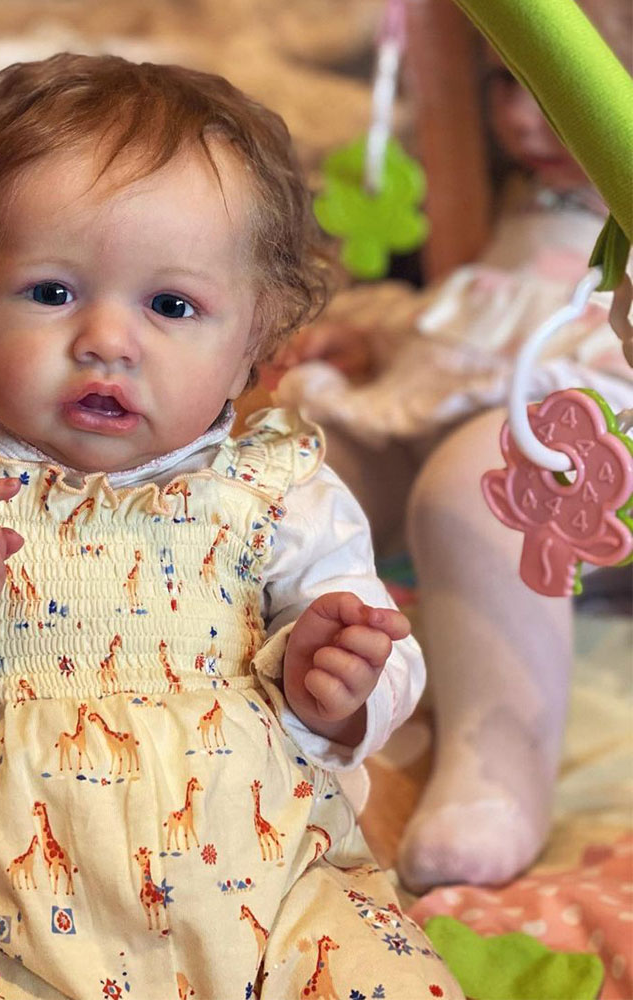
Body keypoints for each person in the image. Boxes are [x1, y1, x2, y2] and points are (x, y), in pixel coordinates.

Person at [0, 53, 463, 999]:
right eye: (52, 292)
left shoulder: (279, 491)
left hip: (270, 892)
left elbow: (379, 644)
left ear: (255, 343)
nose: (106, 342)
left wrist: (333, 682)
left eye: (171, 305)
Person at [264, 2, 633, 894]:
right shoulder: (518, 198)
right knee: (299, 463)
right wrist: (380, 342)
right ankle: (225, 667)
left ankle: (496, 764)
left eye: (552, 90)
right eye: (505, 83)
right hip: (475, 395)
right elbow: (473, 305)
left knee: (477, 484)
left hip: (597, 429)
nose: (519, 119)